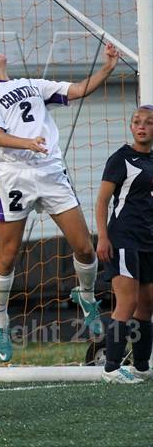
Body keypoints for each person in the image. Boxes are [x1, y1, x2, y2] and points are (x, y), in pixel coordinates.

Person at [0, 42, 119, 361]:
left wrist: (108, 67)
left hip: (50, 172)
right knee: (9, 253)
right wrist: (28, 142)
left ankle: (86, 297)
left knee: (84, 247)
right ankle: (0, 319)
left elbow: (77, 90)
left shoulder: (31, 84)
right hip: (15, 177)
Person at [96, 105, 153, 384]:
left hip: (148, 243)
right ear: (131, 127)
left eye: (148, 123)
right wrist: (103, 237)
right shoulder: (121, 158)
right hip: (123, 239)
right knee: (127, 302)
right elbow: (102, 201)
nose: (142, 126)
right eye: (137, 122)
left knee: (147, 306)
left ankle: (142, 367)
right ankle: (111, 368)